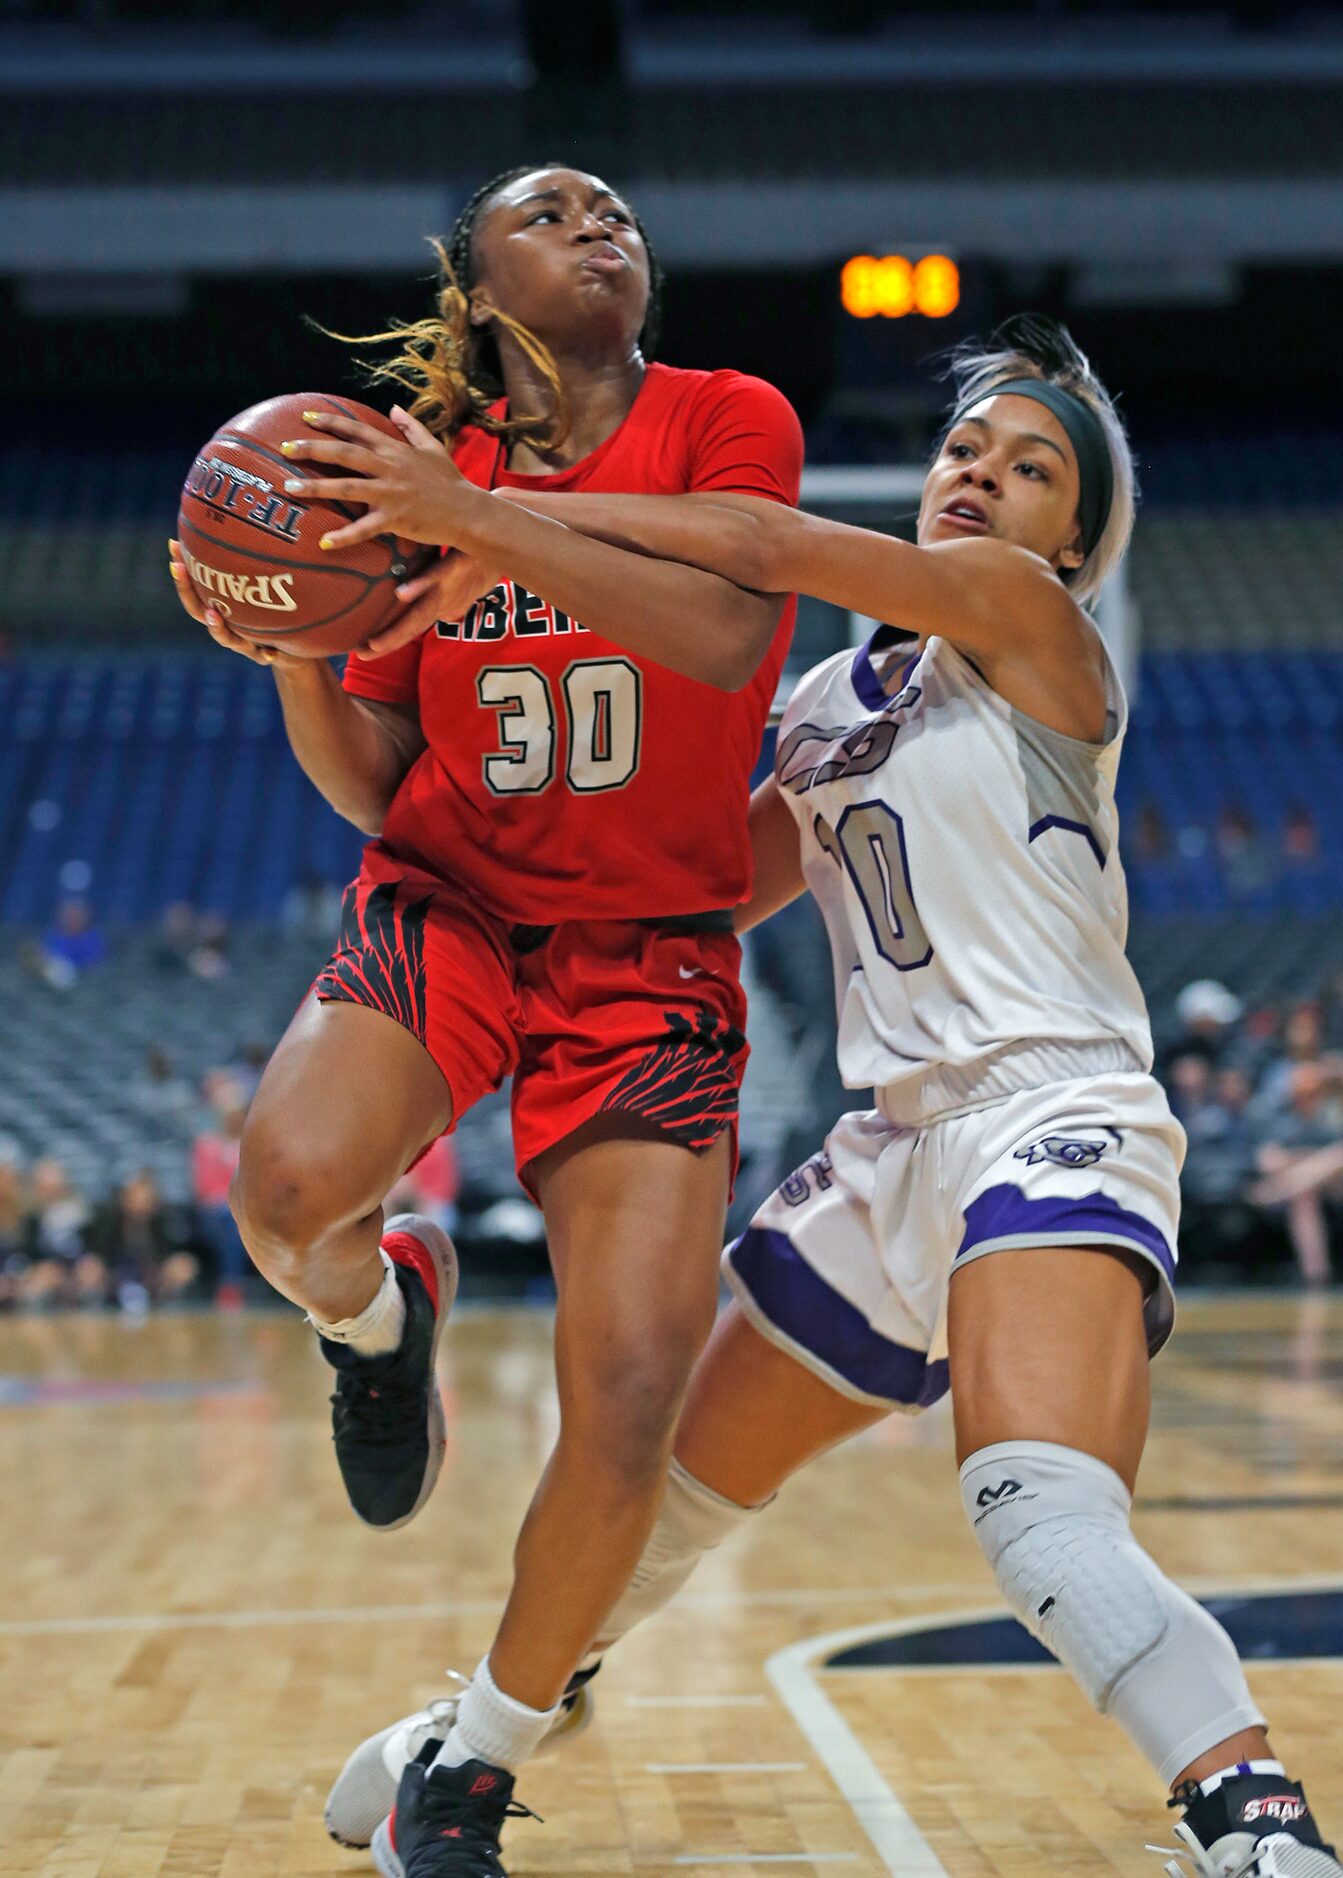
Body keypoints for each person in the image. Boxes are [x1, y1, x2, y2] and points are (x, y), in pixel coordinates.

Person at [327, 317, 1340, 1878]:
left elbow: (763, 539)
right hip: (891, 1149)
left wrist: (495, 518)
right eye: (964, 451)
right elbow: (711, 883)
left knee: (1036, 1512)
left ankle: (1256, 1820)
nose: (979, 477)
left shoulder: (1023, 618)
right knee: (657, 1497)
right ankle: (477, 1739)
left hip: (1050, 1108)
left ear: (1076, 538)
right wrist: (508, 915)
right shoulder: (825, 704)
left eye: (1029, 467)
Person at [169, 163, 802, 1876]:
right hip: (452, 901)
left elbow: (733, 632)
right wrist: (293, 635)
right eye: (550, 211)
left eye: (615, 208)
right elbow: (379, 787)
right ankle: (382, 1324)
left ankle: (471, 1774)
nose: (604, 223)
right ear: (475, 281)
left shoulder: (726, 417)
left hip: (648, 951)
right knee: (288, 1201)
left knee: (630, 1391)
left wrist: (482, 519)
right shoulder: (400, 459)